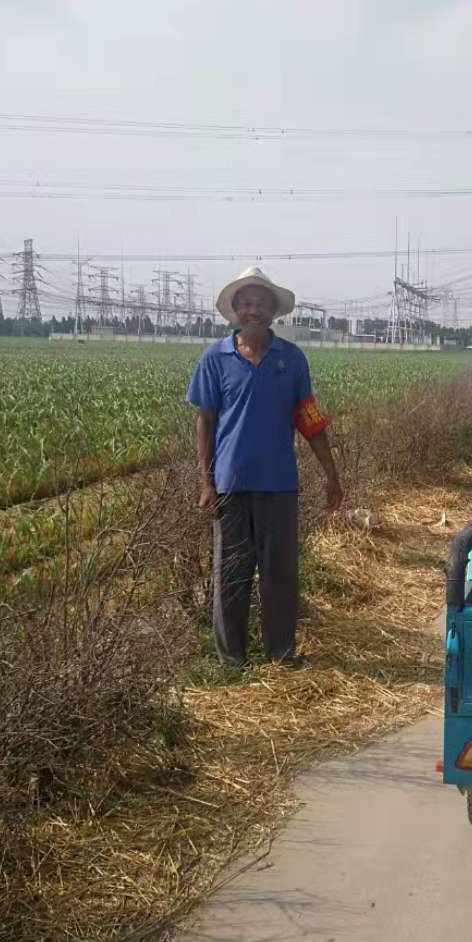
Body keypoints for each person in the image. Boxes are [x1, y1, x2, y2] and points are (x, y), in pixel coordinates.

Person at [187, 267, 343, 668]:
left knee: (280, 574)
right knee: (231, 573)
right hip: (230, 486)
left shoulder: (291, 360)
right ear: (235, 309)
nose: (253, 309)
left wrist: (331, 473)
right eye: (246, 302)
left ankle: (281, 652)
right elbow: (205, 421)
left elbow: (309, 419)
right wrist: (206, 481)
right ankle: (231, 659)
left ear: (273, 311)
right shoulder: (215, 358)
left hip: (279, 485)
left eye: (261, 303)